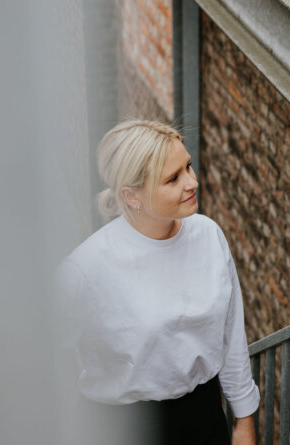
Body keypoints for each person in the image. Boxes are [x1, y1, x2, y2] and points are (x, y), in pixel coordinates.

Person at [55, 120, 260, 445]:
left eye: (188, 166)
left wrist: (244, 421)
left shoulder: (208, 235)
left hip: (205, 417)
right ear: (131, 196)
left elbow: (231, 337)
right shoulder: (85, 269)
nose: (192, 182)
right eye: (173, 178)